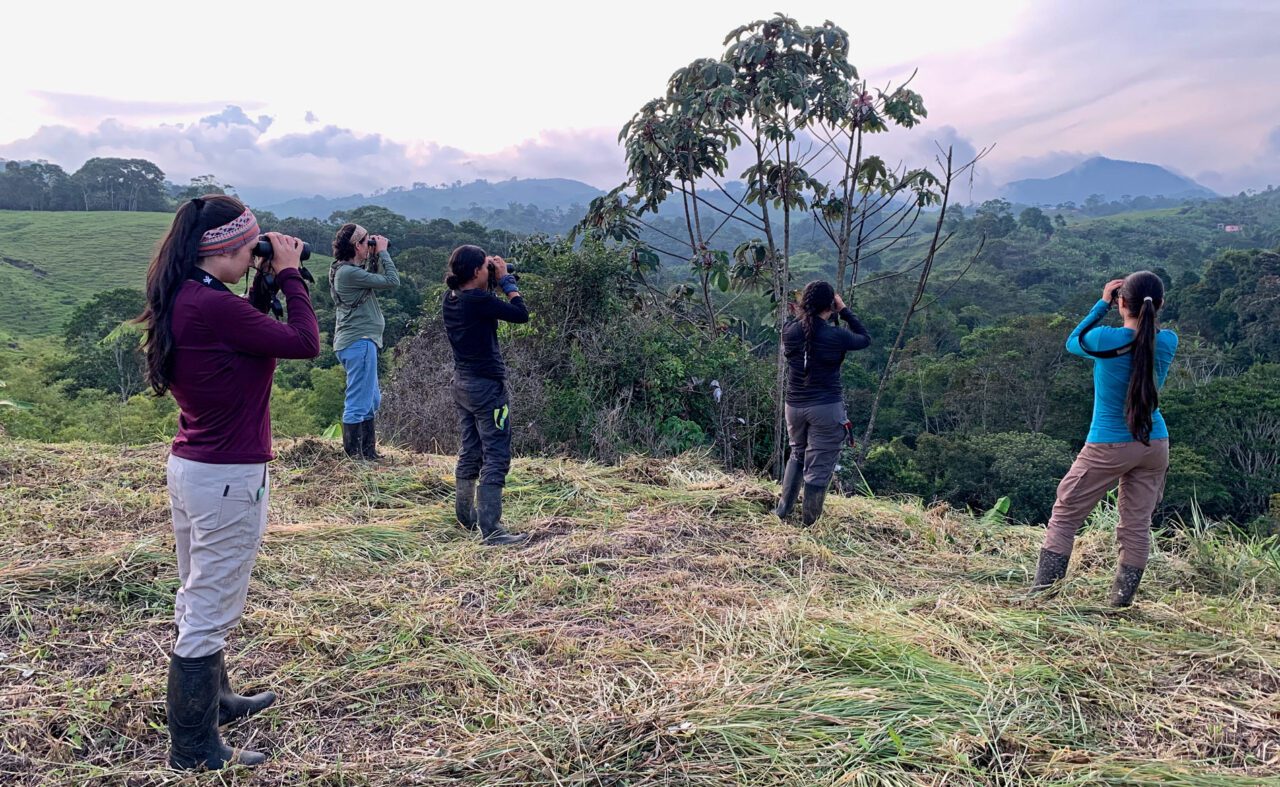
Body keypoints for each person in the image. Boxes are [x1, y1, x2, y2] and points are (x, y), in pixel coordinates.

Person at [138, 195, 320, 769]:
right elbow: (303, 342)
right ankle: (193, 749)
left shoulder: (193, 296)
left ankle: (215, 701)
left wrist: (262, 283)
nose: (257, 254)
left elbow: (248, 330)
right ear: (226, 249)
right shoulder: (211, 306)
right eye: (251, 246)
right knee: (209, 607)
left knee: (198, 592)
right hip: (226, 479)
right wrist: (290, 276)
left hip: (197, 468)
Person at [1031, 272, 1178, 607]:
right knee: (1137, 525)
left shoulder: (1103, 340)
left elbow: (1072, 342)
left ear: (1121, 302)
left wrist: (1102, 303)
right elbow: (1145, 334)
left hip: (1109, 443)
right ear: (1161, 304)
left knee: (1066, 513)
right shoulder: (1168, 340)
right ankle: (1120, 603)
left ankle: (1042, 598)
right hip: (1154, 442)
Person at [442, 245, 529, 546]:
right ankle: (491, 530)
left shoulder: (452, 297)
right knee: (496, 454)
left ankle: (466, 515)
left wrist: (492, 280)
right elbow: (521, 314)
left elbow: (482, 300)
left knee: (471, 448)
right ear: (477, 271)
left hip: (462, 385)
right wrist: (507, 282)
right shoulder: (479, 301)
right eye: (485, 266)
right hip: (486, 388)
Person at [774, 280, 871, 525]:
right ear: (831, 304)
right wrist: (844, 310)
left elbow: (795, 323)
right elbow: (864, 338)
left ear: (804, 304)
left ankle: (783, 512)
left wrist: (799, 311)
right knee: (818, 467)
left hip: (794, 406)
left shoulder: (789, 330)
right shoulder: (835, 335)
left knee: (797, 453)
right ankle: (810, 525)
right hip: (826, 408)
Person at [330, 223, 398, 459]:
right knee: (359, 401)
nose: (370, 245)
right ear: (357, 246)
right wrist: (382, 252)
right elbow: (392, 281)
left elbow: (370, 276)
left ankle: (368, 452)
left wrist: (373, 255)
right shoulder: (348, 273)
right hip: (359, 341)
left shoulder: (343, 269)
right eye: (366, 242)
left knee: (371, 400)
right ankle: (354, 458)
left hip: (358, 341)